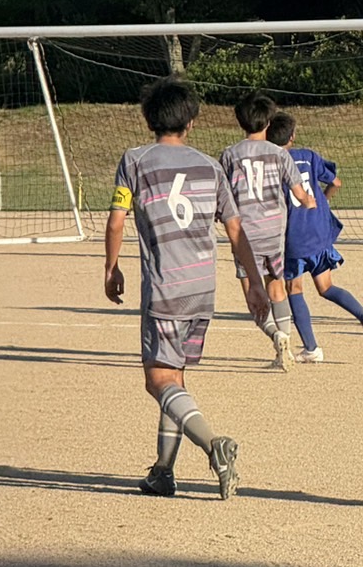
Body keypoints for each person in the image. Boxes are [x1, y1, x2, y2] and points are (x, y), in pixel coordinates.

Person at [104, 76, 270, 500]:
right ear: (191, 122)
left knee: (157, 380)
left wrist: (111, 267)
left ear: (148, 120)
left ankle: (214, 445)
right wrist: (254, 283)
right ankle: (163, 471)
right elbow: (236, 229)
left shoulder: (135, 160)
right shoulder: (211, 167)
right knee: (174, 377)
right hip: (202, 289)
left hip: (165, 289)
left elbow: (117, 219)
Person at [267, 112, 363, 360]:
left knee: (294, 288)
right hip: (319, 230)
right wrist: (323, 202)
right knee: (325, 286)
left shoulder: (270, 163)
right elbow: (336, 182)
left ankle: (311, 348)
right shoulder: (308, 156)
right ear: (292, 136)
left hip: (294, 236)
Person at [220, 92, 315, 371]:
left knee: (252, 292)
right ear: (269, 122)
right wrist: (311, 203)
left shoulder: (230, 154)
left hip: (244, 233)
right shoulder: (279, 154)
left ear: (241, 121)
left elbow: (221, 194)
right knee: (276, 287)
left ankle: (276, 336)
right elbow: (300, 193)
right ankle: (286, 346)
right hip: (274, 231)